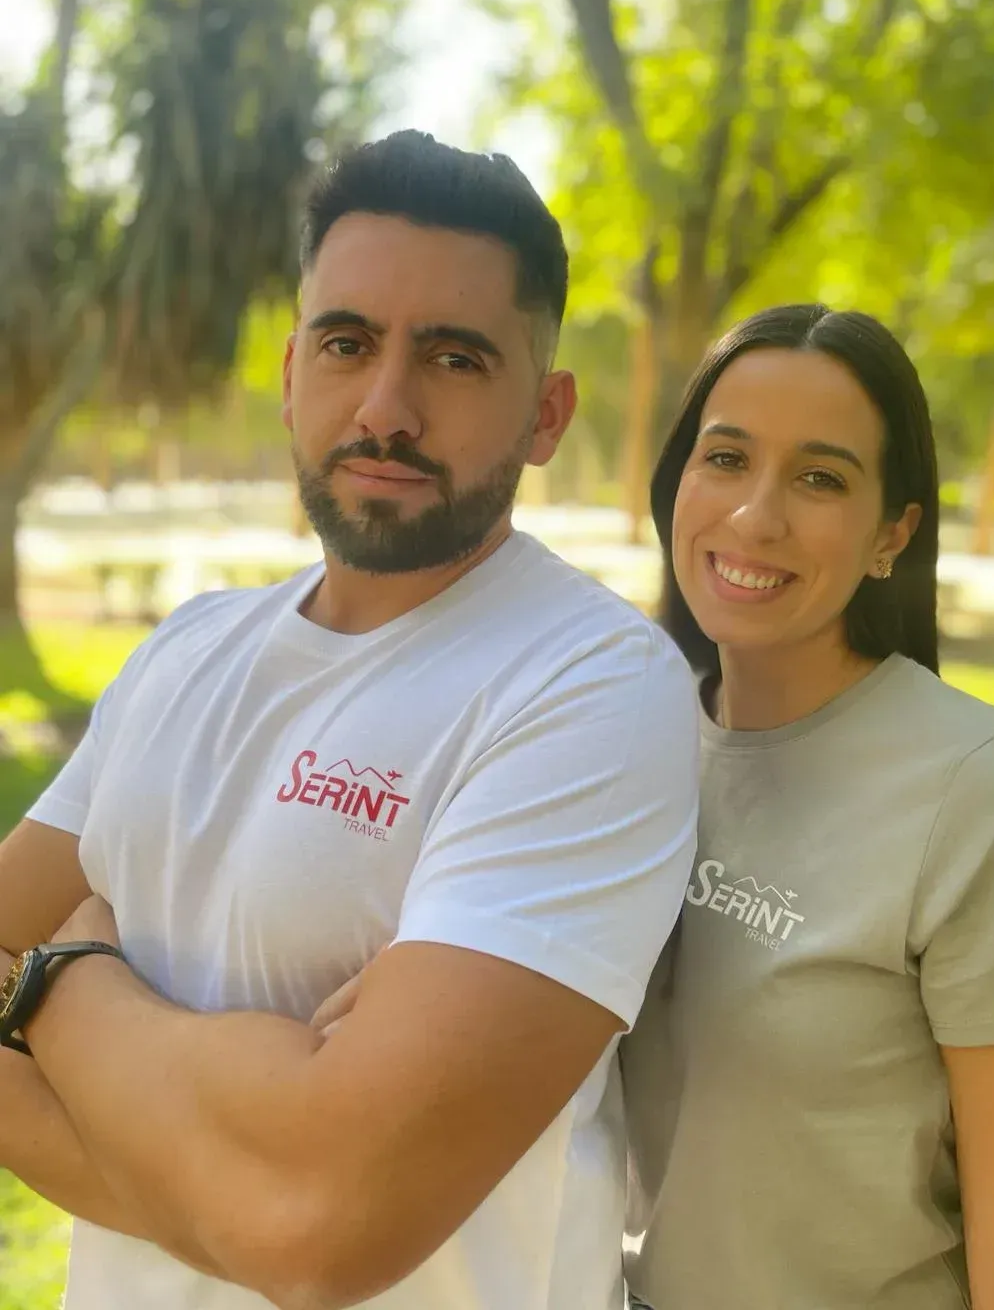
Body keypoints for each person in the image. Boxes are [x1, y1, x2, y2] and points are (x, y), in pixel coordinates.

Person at [0, 130, 700, 1310]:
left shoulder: (591, 687)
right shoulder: (190, 650)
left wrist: (59, 980)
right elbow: (283, 1218)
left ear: (548, 412)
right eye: (347, 343)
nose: (387, 406)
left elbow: (325, 1227)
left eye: (456, 358)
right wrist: (243, 1183)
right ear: (289, 373)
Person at [621, 304, 994, 1310]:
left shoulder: (977, 792)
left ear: (892, 533)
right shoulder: (623, 742)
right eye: (725, 458)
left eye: (820, 477)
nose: (755, 516)